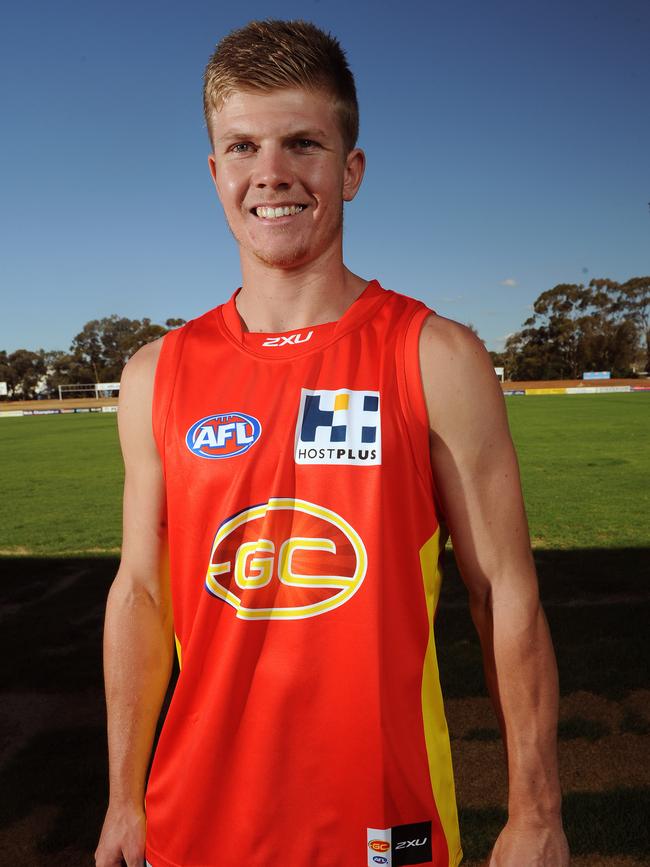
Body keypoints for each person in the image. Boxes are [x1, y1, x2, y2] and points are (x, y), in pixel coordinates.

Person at [95, 19, 570, 867]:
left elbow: (504, 594)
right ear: (214, 173)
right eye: (241, 146)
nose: (269, 174)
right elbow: (140, 591)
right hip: (192, 830)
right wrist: (122, 798)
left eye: (301, 144)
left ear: (350, 169)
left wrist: (536, 811)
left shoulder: (435, 356)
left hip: (384, 830)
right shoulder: (153, 375)